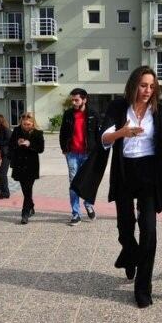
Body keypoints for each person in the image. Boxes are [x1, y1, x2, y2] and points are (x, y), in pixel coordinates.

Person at [72, 66, 162, 308]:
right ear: (133, 84)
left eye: (151, 86)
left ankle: (143, 288)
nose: (148, 90)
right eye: (143, 85)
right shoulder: (118, 107)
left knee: (149, 231)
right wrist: (122, 132)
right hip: (125, 171)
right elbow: (103, 139)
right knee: (124, 227)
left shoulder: (159, 111)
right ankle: (130, 253)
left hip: (149, 173)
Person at [59, 88, 100, 226]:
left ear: (84, 99)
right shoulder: (68, 114)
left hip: (88, 154)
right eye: (73, 100)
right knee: (73, 184)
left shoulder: (93, 114)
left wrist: (97, 152)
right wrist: (64, 149)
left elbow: (97, 135)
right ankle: (76, 214)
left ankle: (88, 204)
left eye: (77, 100)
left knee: (88, 182)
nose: (74, 102)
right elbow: (63, 132)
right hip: (72, 154)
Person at [9, 112, 45, 224]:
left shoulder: (38, 133)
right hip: (19, 165)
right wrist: (17, 143)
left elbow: (41, 149)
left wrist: (30, 145)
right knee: (25, 190)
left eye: (28, 124)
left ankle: (25, 213)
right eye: (24, 124)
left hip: (31, 165)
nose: (26, 126)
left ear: (33, 123)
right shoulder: (16, 131)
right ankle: (31, 205)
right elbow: (10, 145)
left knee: (28, 189)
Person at [0, 114, 12, 199]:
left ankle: (4, 193)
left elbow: (9, 141)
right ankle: (4, 192)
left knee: (2, 174)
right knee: (1, 174)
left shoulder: (6, 130)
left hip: (6, 155)